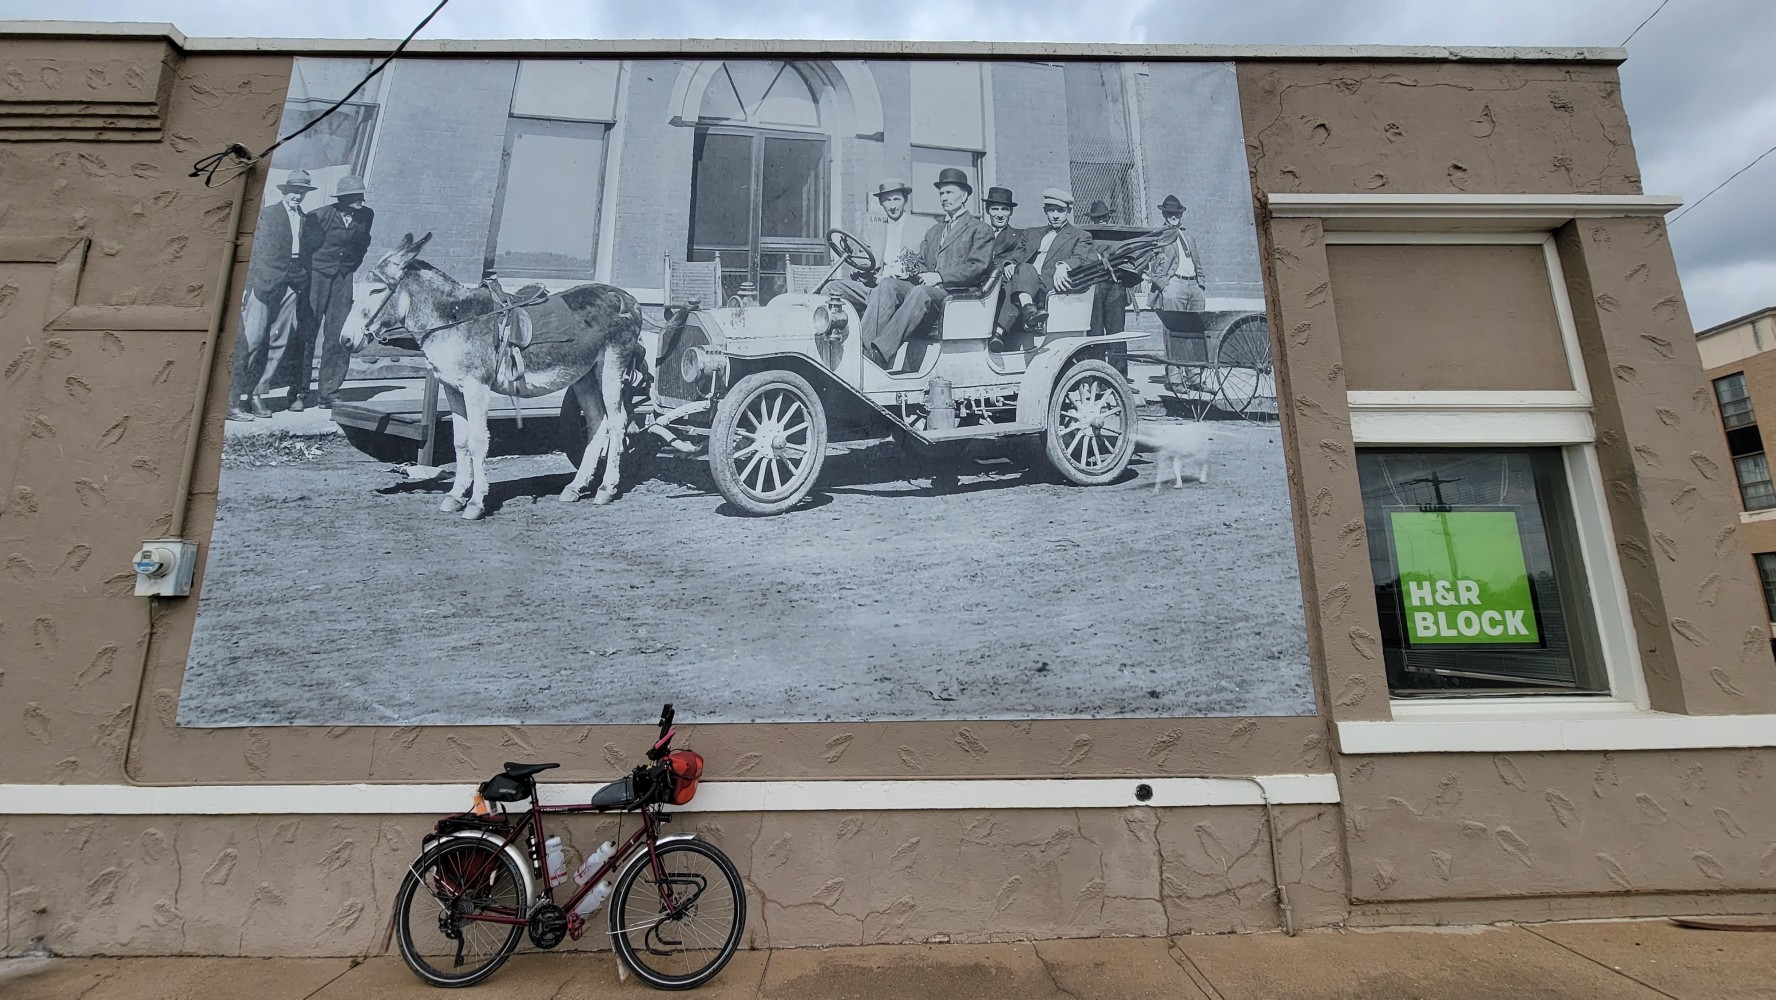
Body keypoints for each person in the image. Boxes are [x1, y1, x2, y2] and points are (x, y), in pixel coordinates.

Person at [859, 167, 994, 372]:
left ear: (964, 196)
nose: (944, 198)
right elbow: (922, 263)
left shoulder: (979, 229)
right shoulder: (935, 230)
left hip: (955, 295)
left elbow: (978, 267)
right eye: (941, 193)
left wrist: (940, 276)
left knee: (921, 292)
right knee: (887, 285)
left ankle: (880, 354)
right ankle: (863, 348)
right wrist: (910, 273)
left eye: (949, 192)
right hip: (927, 292)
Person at [228, 170, 317, 421]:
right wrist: (247, 286)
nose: (297, 196)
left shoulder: (307, 220)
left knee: (279, 341)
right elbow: (255, 253)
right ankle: (232, 400)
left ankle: (257, 394)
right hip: (265, 283)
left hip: (291, 284)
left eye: (302, 192)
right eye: (293, 191)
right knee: (253, 340)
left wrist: (300, 277)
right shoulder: (268, 215)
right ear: (284, 191)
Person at [295, 175, 376, 410]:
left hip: (343, 278)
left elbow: (363, 244)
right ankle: (299, 393)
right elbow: (304, 249)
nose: (360, 200)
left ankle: (329, 392)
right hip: (316, 276)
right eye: (355, 197)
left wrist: (350, 268)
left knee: (339, 334)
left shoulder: (366, 216)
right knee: (307, 332)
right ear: (342, 199)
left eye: (361, 195)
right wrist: (306, 278)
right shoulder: (318, 216)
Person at [1000, 188, 1095, 343]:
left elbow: (1082, 258)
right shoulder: (1031, 233)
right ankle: (1025, 314)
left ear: (1068, 211)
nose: (1055, 215)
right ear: (1045, 211)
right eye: (1051, 211)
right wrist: (1009, 264)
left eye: (1060, 210)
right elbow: (1016, 256)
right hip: (1024, 283)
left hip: (1048, 286)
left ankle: (1000, 332)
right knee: (1015, 275)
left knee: (1023, 269)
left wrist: (1064, 265)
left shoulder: (1080, 236)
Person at [825, 178, 929, 317]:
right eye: (887, 200)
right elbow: (864, 260)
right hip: (875, 287)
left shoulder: (922, 226)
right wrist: (863, 272)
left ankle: (866, 337)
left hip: (906, 290)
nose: (892, 205)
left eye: (896, 199)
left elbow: (928, 262)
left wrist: (908, 271)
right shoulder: (873, 230)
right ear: (881, 203)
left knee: (886, 287)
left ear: (905, 200)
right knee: (831, 288)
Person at [981, 186, 1027, 352]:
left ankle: (998, 334)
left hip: (1001, 288)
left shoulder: (1020, 236)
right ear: (987, 211)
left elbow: (1019, 259)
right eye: (995, 209)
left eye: (1004, 209)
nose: (1000, 214)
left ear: (1010, 213)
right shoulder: (978, 233)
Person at [1146, 194, 1205, 312]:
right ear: (1164, 215)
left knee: (1197, 325)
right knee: (1175, 325)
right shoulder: (1160, 236)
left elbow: (1196, 261)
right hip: (1174, 285)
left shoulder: (1188, 235)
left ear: (1181, 214)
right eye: (1169, 213)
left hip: (1194, 285)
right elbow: (1153, 265)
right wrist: (1165, 285)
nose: (1173, 216)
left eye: (1176, 213)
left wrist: (1201, 284)